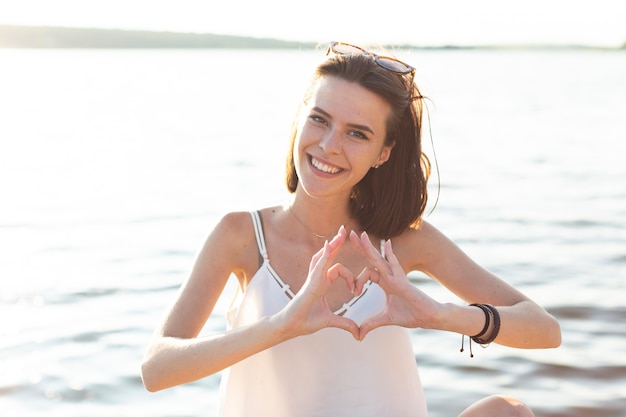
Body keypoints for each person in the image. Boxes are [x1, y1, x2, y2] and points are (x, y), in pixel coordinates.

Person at [141, 41, 561, 417]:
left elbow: (543, 329)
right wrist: (281, 325)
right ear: (300, 119)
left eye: (357, 134)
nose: (328, 145)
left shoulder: (404, 240)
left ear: (383, 153)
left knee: (508, 413)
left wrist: (440, 315)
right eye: (320, 120)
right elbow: (157, 367)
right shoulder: (241, 236)